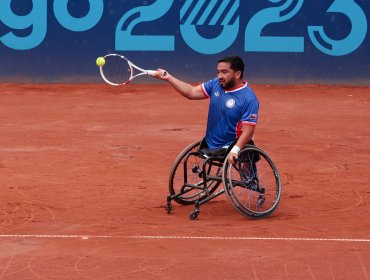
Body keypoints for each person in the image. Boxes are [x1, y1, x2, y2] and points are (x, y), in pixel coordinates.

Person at [154, 55, 259, 164]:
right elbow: (191, 92)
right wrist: (168, 77)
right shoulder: (216, 84)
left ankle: (251, 180)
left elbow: (248, 132)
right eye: (218, 72)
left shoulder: (248, 99)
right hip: (210, 145)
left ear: (237, 74)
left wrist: (235, 150)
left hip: (232, 146)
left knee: (248, 152)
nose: (220, 76)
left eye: (224, 72)